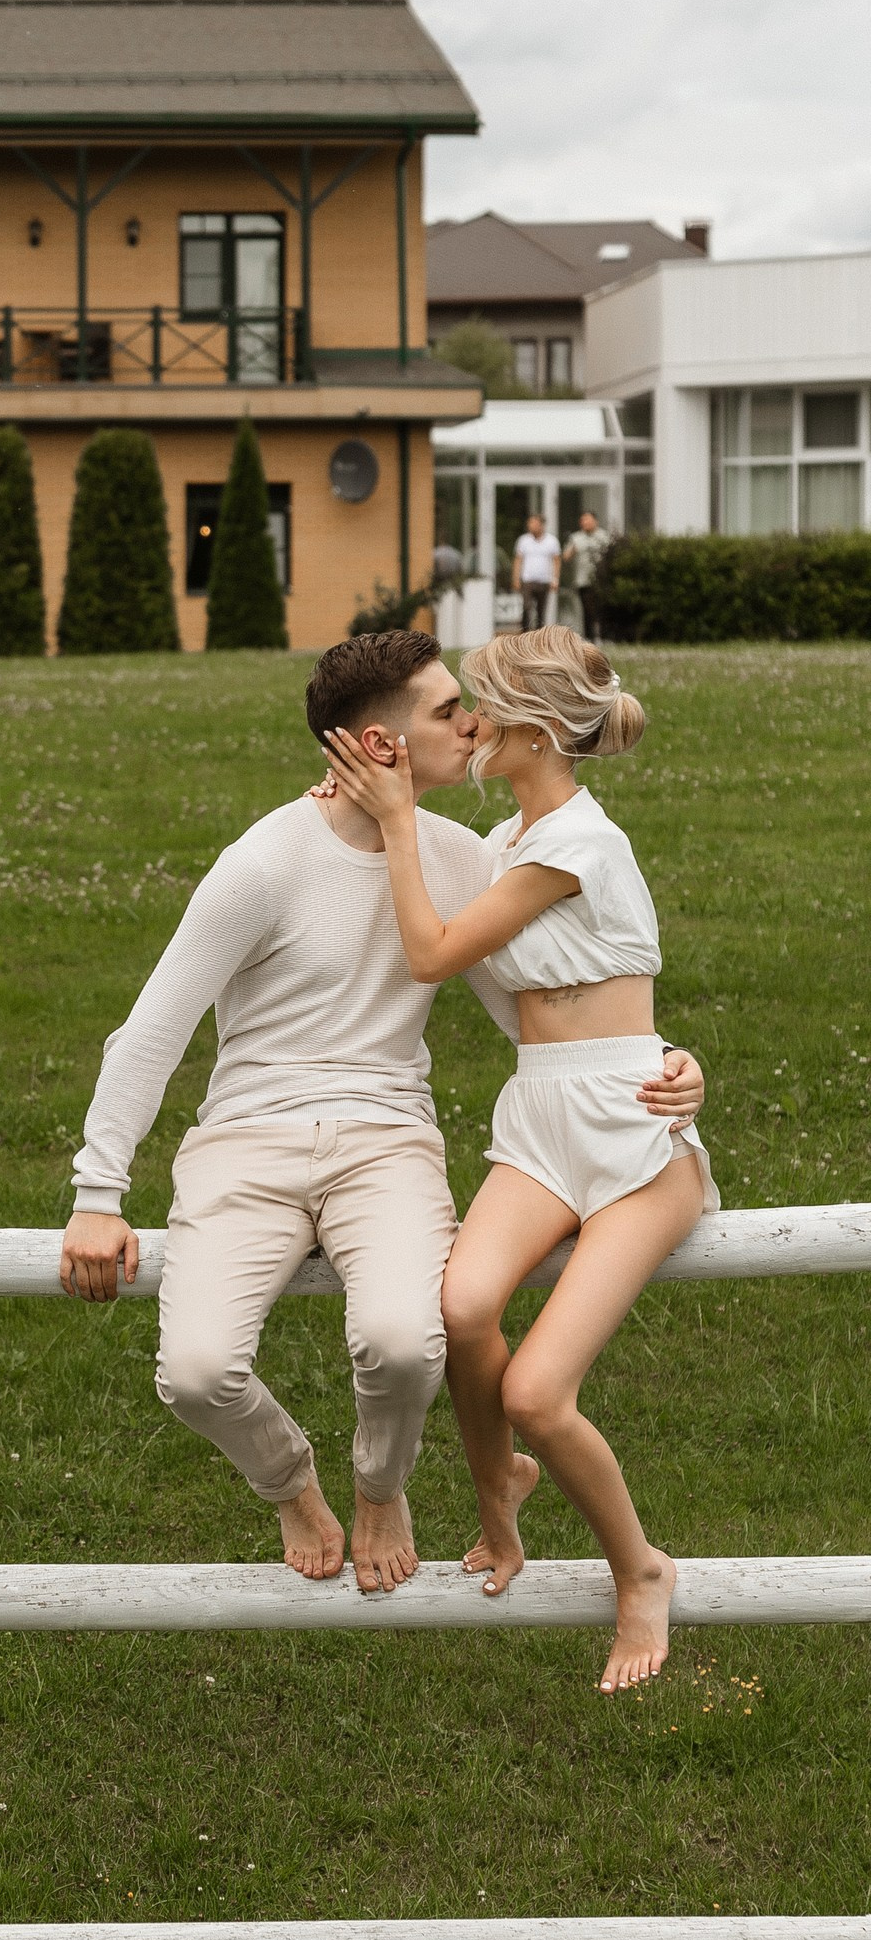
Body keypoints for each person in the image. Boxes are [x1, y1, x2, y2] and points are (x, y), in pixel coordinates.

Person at [57, 628, 704, 1596]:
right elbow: (152, 1029)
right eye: (447, 712)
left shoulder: (465, 859)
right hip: (245, 1140)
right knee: (195, 1373)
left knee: (407, 1342)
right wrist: (95, 1190)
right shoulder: (261, 862)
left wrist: (661, 1067)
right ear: (376, 746)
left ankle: (378, 1486)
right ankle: (289, 1485)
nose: (470, 723)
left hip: (387, 1138)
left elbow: (530, 1003)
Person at [323, 626, 714, 1697]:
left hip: (634, 1138)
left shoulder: (576, 845)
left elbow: (432, 955)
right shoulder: (505, 845)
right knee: (461, 1310)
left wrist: (400, 821)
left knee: (538, 1390)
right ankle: (502, 1519)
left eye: (477, 709)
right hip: (539, 1120)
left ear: (534, 730)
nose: (463, 728)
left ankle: (638, 1568)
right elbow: (519, 1005)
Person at [563, 509, 610, 641]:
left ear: (595, 521)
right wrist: (573, 549)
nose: (585, 523)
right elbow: (565, 557)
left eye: (588, 520)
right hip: (583, 579)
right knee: (587, 609)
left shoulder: (604, 536)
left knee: (602, 609)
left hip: (600, 580)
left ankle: (604, 636)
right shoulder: (576, 538)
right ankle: (590, 637)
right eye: (583, 520)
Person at [513, 512, 559, 632]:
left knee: (541, 610)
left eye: (533, 523)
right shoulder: (523, 540)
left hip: (544, 580)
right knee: (526, 607)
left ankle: (539, 635)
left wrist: (555, 579)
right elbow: (518, 560)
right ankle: (525, 633)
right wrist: (516, 579)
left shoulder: (551, 541)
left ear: (541, 525)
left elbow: (556, 561)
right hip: (527, 579)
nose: (530, 526)